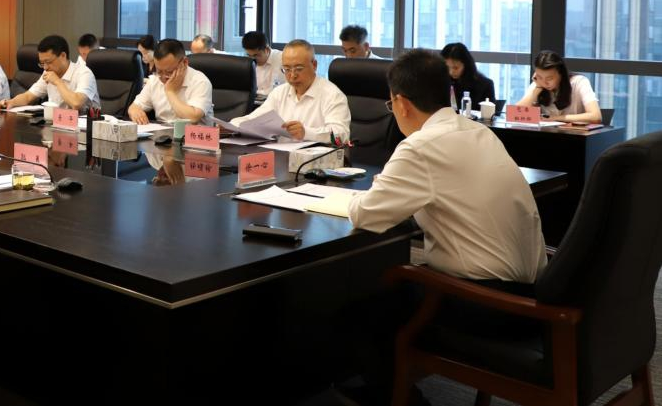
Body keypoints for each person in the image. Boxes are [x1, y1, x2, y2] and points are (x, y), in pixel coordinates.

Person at [342, 49, 546, 406]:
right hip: (534, 293)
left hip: (490, 305)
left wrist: (374, 191)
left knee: (361, 311)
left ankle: (399, 398)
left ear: (401, 103)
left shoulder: (420, 146)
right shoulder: (478, 131)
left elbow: (365, 214)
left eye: (391, 105)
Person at [234, 39, 349, 143]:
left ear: (314, 65)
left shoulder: (332, 95)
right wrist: (231, 126)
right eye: (287, 69)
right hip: (281, 155)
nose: (292, 75)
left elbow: (341, 135)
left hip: (316, 157)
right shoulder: (279, 92)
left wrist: (306, 133)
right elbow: (254, 119)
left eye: (299, 69)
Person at [0, 34, 100, 112]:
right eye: (42, 63)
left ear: (63, 56)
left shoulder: (84, 73)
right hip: (57, 124)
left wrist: (57, 82)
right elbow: (28, 96)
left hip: (85, 128)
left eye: (48, 62)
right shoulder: (48, 72)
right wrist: (10, 102)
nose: (45, 67)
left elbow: (76, 104)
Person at [127, 39, 213, 125]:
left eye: (169, 72)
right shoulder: (155, 79)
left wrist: (170, 91)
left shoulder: (200, 81)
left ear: (184, 62)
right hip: (162, 132)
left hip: (193, 133)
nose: (164, 77)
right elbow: (134, 107)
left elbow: (193, 118)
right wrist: (135, 111)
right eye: (159, 71)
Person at [517, 50, 601, 123]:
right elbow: (517, 114)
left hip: (575, 134)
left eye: (549, 78)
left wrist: (556, 118)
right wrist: (537, 90)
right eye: (540, 77)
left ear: (561, 73)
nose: (544, 82)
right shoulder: (538, 84)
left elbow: (596, 116)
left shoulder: (579, 82)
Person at [241, 31, 283, 97]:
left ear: (267, 49)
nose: (252, 59)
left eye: (256, 55)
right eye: (249, 55)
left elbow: (280, 90)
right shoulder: (246, 63)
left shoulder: (282, 60)